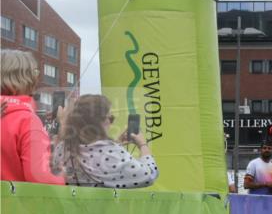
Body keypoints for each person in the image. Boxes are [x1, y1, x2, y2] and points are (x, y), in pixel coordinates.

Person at [52, 94, 158, 189]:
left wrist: (116, 144)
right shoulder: (109, 152)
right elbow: (149, 175)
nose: (111, 123)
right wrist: (143, 145)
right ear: (98, 122)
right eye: (110, 118)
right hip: (102, 209)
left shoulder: (61, 148)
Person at [0, 49, 64, 185]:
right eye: (35, 72)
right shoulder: (26, 121)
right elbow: (41, 178)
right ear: (26, 78)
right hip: (14, 204)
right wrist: (64, 177)